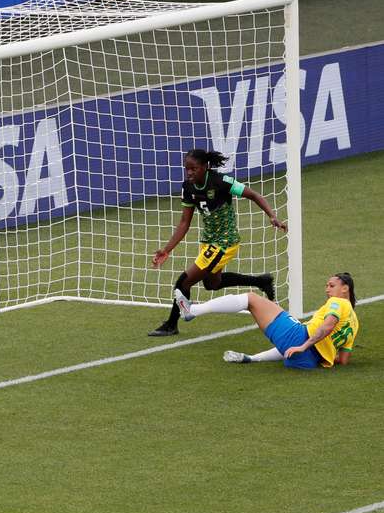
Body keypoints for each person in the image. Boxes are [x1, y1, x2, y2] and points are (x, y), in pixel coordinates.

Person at [149, 149, 288, 337]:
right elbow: (184, 222)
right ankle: (261, 281)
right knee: (212, 284)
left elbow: (254, 195)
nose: (189, 172)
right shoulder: (188, 188)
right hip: (208, 241)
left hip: (225, 242)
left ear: (205, 167)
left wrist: (272, 216)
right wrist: (167, 250)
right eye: (186, 169)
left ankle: (171, 324)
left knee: (183, 282)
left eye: (193, 168)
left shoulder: (221, 182)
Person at [174, 272, 359, 368]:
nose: (327, 289)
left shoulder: (338, 303)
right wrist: (314, 353)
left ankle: (192, 310)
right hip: (308, 361)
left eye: (332, 285)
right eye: (326, 285)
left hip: (299, 339)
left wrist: (303, 345)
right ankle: (251, 359)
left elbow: (327, 326)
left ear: (345, 289)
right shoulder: (355, 323)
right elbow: (343, 360)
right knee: (290, 341)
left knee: (251, 299)